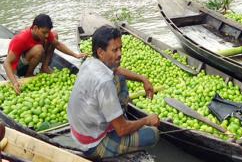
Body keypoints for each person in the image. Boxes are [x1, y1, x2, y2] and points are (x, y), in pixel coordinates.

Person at [67, 25, 160, 159]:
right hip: (92, 144)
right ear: (100, 52)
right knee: (153, 134)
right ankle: (117, 126)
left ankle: (118, 117)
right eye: (115, 50)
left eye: (120, 48)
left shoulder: (89, 62)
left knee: (119, 78)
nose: (120, 54)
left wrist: (143, 79)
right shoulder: (104, 83)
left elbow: (118, 71)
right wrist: (147, 120)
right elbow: (122, 130)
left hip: (80, 130)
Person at [3, 14, 86, 94]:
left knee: (54, 35)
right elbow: (6, 63)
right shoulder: (20, 39)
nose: (46, 35)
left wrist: (75, 55)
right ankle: (28, 75)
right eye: (44, 32)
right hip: (19, 67)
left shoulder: (45, 33)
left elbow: (57, 44)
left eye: (47, 32)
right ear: (35, 28)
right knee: (39, 49)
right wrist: (14, 82)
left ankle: (44, 67)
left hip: (31, 59)